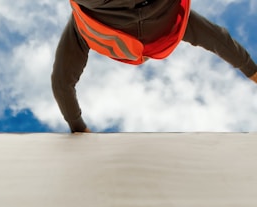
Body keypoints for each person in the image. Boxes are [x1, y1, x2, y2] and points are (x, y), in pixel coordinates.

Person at [51, 0, 257, 133]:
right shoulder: (174, 24)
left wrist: (78, 126)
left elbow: (219, 39)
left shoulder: (175, 25)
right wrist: (77, 126)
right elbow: (61, 82)